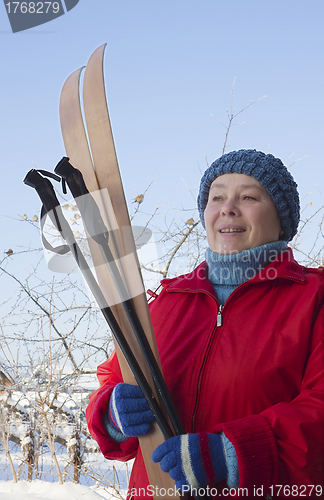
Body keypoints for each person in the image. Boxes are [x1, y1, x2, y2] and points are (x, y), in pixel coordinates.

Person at [86, 150, 324, 499]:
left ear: (281, 219)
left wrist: (236, 454)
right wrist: (110, 414)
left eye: (248, 196)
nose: (228, 207)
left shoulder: (313, 299)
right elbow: (115, 376)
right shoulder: (165, 302)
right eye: (217, 197)